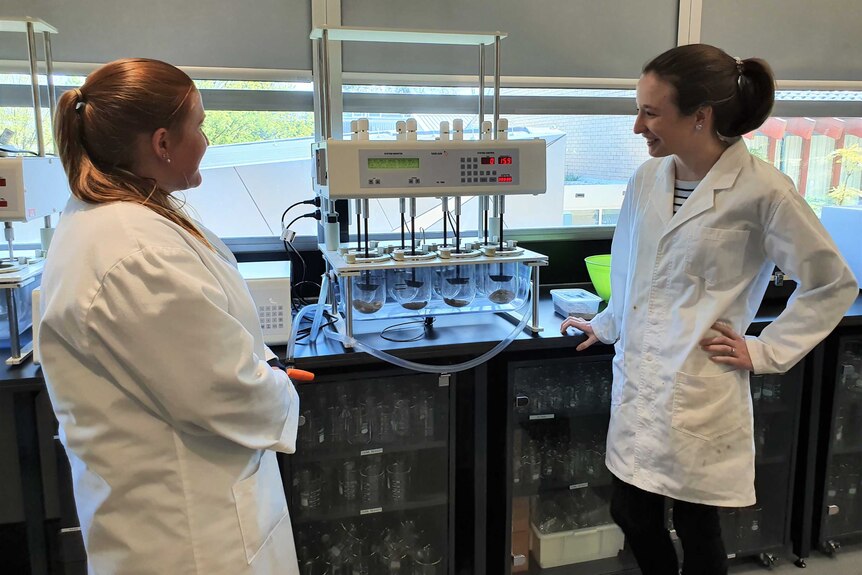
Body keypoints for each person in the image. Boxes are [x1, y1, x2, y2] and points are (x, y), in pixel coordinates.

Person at [561, 44, 858, 575]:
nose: (637, 127)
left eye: (651, 113)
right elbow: (629, 268)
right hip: (642, 377)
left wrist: (766, 349)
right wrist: (606, 324)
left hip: (701, 382)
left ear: (701, 117)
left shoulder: (764, 191)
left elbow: (831, 282)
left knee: (698, 529)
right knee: (630, 512)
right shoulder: (647, 180)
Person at [39, 58, 301, 574]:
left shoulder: (122, 218)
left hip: (181, 513)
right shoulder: (132, 252)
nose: (206, 139)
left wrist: (259, 365)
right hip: (191, 538)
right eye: (199, 126)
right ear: (162, 143)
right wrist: (278, 388)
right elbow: (223, 390)